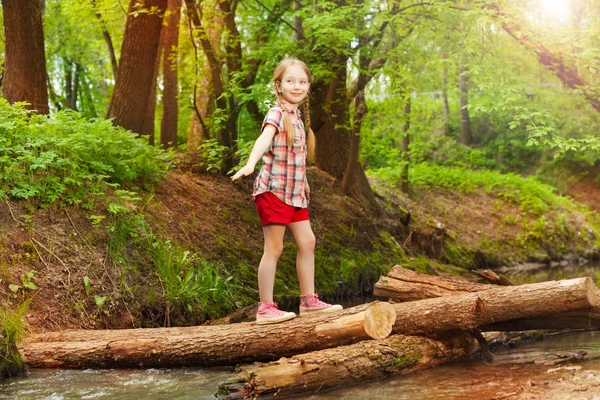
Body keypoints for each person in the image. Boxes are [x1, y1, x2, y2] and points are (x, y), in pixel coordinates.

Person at [231, 58, 343, 325]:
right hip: (274, 191)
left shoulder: (299, 119)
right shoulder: (277, 113)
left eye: (302, 82)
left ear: (307, 87)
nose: (297, 86)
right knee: (275, 248)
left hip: (294, 193)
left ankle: (309, 301)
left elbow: (296, 157)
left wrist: (304, 182)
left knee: (308, 242)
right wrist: (250, 163)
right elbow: (265, 138)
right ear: (278, 85)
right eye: (290, 81)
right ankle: (265, 308)